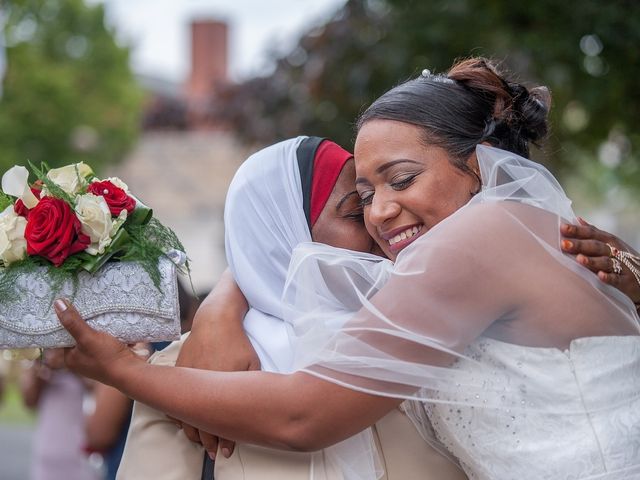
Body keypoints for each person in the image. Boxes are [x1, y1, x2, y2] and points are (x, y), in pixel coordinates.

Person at [57, 58, 640, 479]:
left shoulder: (477, 239)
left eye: (403, 179)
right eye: (363, 197)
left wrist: (122, 372)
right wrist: (230, 295)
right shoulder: (512, 235)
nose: (380, 214)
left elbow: (304, 414)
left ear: (479, 166)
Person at [117, 136, 465, 480]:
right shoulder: (186, 368)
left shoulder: (427, 331)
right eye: (358, 213)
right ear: (283, 234)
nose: (379, 224)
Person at [20, 348, 100, 480]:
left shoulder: (81, 355)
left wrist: (69, 364)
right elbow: (29, 402)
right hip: (47, 449)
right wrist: (40, 369)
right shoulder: (38, 355)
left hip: (80, 451)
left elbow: (97, 386)